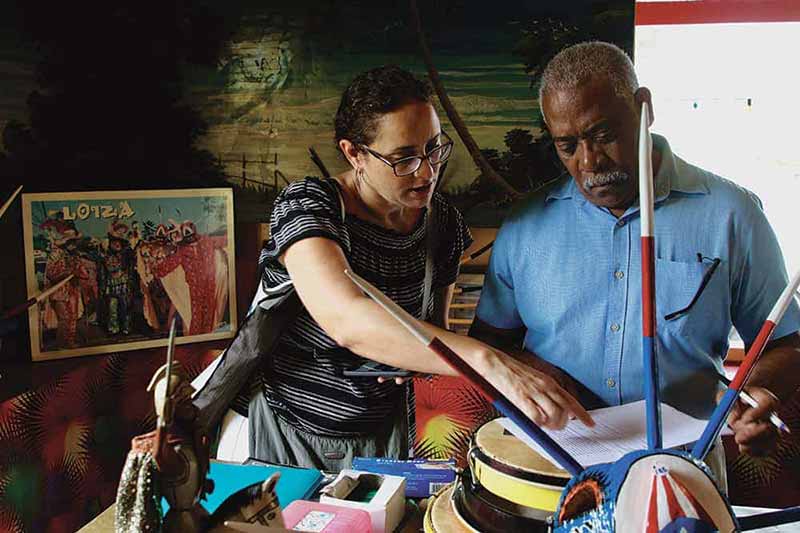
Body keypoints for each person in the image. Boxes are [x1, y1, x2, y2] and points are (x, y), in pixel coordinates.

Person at [470, 41, 800, 487]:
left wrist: (756, 394)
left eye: (603, 134)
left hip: (682, 469)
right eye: (567, 146)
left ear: (644, 107)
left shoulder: (732, 213)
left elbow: (787, 343)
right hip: (553, 472)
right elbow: (489, 345)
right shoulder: (525, 224)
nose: (590, 162)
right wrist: (533, 372)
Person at [249, 65, 592, 471]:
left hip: (389, 431)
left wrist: (410, 360)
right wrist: (488, 362)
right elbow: (346, 319)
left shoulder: (441, 222)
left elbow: (432, 332)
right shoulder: (309, 206)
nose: (427, 171)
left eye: (433, 148)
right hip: (295, 428)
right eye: (404, 158)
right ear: (354, 153)